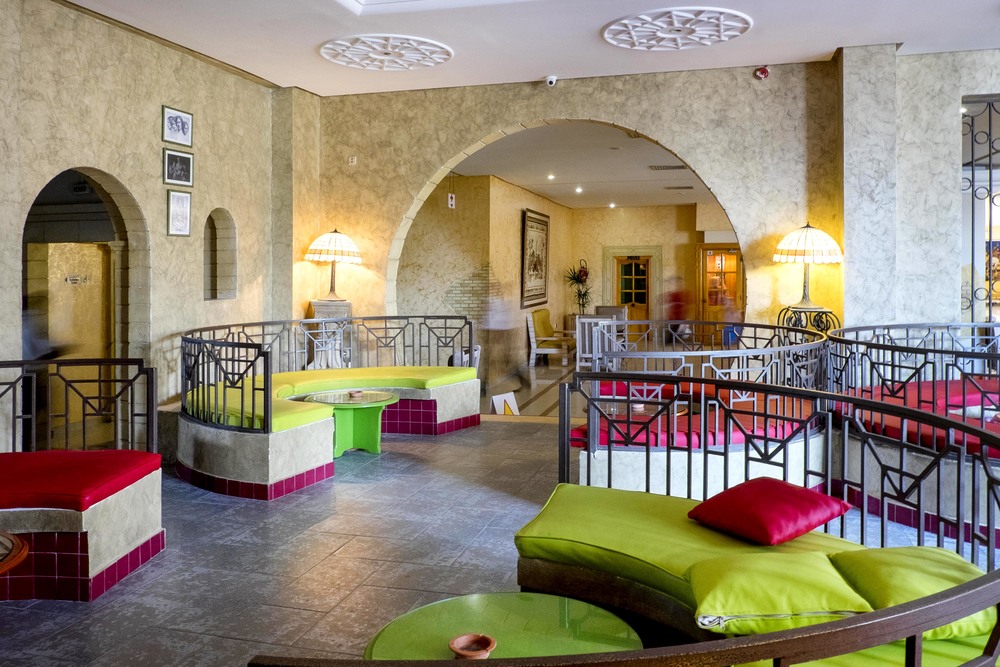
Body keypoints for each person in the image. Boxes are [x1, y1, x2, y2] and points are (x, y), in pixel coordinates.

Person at [662, 276, 693, 343]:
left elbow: (686, 306)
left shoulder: (684, 294)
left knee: (674, 335)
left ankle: (672, 344)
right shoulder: (672, 294)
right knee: (672, 334)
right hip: (673, 318)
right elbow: (669, 305)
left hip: (679, 318)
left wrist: (686, 317)